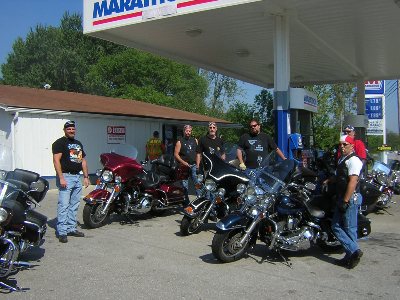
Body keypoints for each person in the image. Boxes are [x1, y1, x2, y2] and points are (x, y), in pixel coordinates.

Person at [326, 135, 364, 269]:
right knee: (348, 228)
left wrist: (345, 201)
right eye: (340, 144)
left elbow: (353, 181)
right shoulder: (343, 159)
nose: (342, 147)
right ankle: (350, 256)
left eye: (345, 144)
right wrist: (329, 180)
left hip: (349, 198)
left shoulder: (354, 160)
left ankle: (354, 251)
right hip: (343, 197)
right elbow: (340, 176)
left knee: (341, 226)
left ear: (352, 146)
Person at [52, 120, 89, 243]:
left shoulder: (78, 143)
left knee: (74, 205)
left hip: (77, 177)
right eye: (69, 129)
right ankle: (62, 231)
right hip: (66, 177)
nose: (71, 131)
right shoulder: (59, 143)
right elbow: (56, 160)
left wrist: (86, 176)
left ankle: (71, 228)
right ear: (64, 130)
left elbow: (82, 160)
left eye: (73, 129)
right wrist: (61, 177)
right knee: (64, 205)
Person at [174, 125, 199, 205]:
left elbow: (198, 153)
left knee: (197, 184)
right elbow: (176, 154)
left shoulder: (195, 140)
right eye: (187, 131)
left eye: (189, 131)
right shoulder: (180, 141)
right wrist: (183, 162)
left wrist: (198, 164)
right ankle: (186, 203)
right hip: (184, 166)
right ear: (184, 131)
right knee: (185, 185)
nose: (188, 132)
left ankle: (200, 200)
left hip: (194, 165)